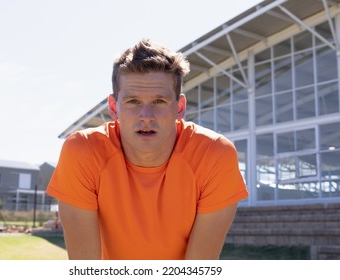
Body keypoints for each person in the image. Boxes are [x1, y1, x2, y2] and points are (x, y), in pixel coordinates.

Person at [46, 39, 248, 260]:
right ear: (114, 108)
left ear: (179, 108)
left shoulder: (214, 154)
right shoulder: (83, 151)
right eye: (133, 101)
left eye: (159, 101)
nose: (146, 116)